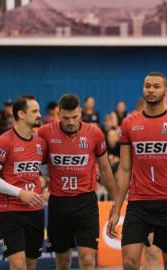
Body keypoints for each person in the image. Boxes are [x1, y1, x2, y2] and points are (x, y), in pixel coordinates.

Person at [106, 71, 167, 270]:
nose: (151, 90)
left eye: (156, 86)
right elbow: (125, 169)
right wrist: (117, 208)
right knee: (130, 262)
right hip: (138, 204)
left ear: (166, 90)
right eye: (147, 86)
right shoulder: (129, 123)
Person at [37, 94, 118, 270]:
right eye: (66, 118)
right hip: (58, 203)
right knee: (63, 261)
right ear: (58, 114)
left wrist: (117, 202)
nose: (71, 122)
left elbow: (105, 170)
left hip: (85, 202)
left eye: (75, 117)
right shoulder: (44, 133)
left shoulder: (95, 133)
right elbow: (34, 162)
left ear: (80, 112)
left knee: (88, 259)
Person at [0, 96, 46, 270]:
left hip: (35, 210)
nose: (39, 114)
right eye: (35, 111)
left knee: (31, 264)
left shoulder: (40, 141)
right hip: (10, 211)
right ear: (21, 114)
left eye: (39, 110)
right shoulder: (4, 141)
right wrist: (20, 193)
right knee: (18, 265)